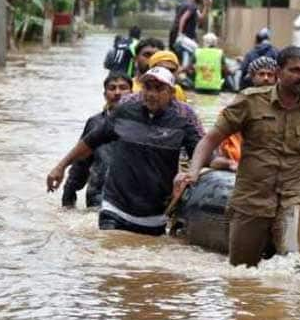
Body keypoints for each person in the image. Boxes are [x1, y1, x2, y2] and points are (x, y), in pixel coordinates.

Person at [174, 46, 300, 266]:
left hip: (291, 197)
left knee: (295, 264)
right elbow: (211, 139)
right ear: (279, 72)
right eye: (295, 71)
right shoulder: (250, 101)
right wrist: (192, 172)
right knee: (242, 271)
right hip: (251, 199)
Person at [47, 66, 202, 236]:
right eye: (148, 88)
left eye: (159, 89)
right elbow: (89, 143)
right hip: (114, 209)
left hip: (155, 217)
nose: (151, 94)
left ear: (171, 93)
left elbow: (203, 154)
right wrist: (60, 167)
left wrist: (216, 166)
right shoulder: (124, 113)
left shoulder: (182, 123)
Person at [60, 72, 133, 209]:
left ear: (132, 93)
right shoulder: (95, 123)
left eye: (123, 88)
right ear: (105, 95)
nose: (117, 92)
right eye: (112, 88)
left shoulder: (142, 124)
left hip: (130, 199)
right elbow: (81, 161)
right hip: (98, 198)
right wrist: (68, 195)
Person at [210, 56, 279, 172]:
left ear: (276, 78)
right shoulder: (237, 106)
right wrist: (230, 163)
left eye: (270, 75)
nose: (266, 78)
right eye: (261, 74)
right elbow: (215, 149)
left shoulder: (282, 108)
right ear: (252, 77)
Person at [172, 0, 210, 73]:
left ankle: (183, 72)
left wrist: (206, 6)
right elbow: (183, 19)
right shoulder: (192, 6)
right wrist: (180, 34)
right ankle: (182, 71)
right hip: (183, 36)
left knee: (187, 54)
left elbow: (200, 18)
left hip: (183, 36)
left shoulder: (190, 5)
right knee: (197, 50)